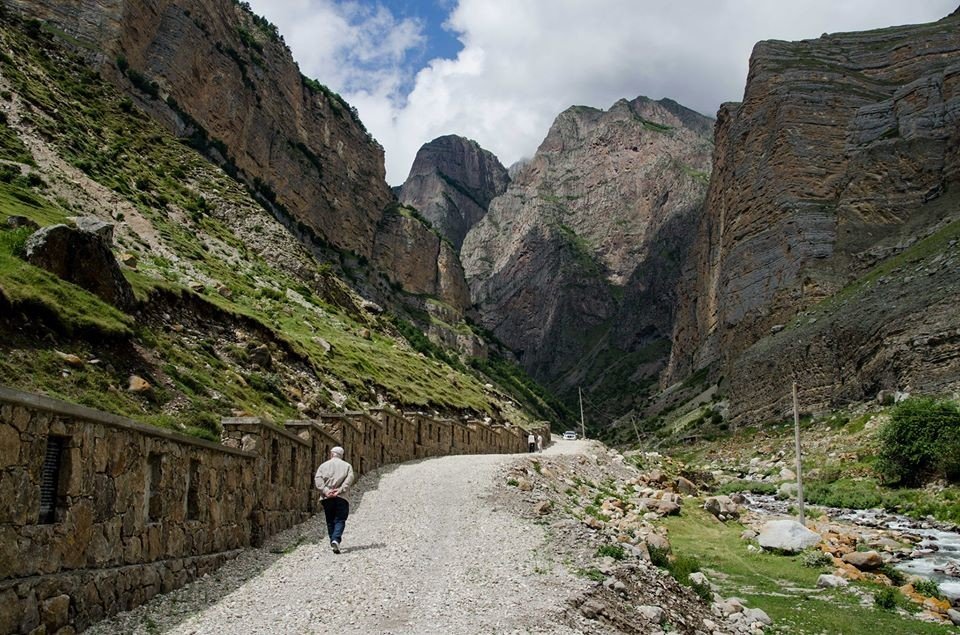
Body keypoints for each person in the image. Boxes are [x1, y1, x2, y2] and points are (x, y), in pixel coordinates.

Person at [314, 446, 355, 553]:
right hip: (341, 497)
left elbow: (318, 479)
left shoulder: (323, 466)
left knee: (330, 519)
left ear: (331, 454)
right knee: (340, 519)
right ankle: (336, 539)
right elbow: (349, 479)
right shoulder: (347, 466)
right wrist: (340, 490)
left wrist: (326, 491)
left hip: (326, 497)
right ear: (341, 455)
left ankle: (333, 540)